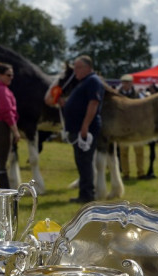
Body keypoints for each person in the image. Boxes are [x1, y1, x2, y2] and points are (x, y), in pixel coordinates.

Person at [58, 55, 103, 203]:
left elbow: (93, 103)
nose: (75, 70)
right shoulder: (84, 82)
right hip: (77, 128)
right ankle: (85, 192)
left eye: (78, 67)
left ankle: (87, 194)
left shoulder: (92, 81)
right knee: (81, 161)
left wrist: (85, 126)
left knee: (85, 161)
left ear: (88, 68)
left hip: (84, 129)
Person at [117, 74, 146, 179]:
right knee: (123, 152)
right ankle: (125, 173)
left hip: (136, 126)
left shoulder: (138, 94)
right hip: (122, 127)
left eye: (128, 82)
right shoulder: (117, 95)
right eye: (124, 82)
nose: (126, 85)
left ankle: (141, 172)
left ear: (131, 83)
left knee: (139, 151)